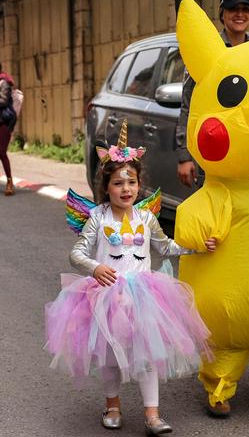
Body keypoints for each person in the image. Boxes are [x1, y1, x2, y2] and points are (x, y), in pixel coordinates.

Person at [45, 120, 216, 435]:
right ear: (106, 188)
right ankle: (112, 405)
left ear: (140, 185)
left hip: (145, 298)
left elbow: (166, 247)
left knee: (148, 355)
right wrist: (95, 268)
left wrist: (197, 248)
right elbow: (77, 253)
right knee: (110, 358)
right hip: (106, 299)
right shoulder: (98, 218)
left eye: (132, 183)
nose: (126, 189)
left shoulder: (147, 217)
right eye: (118, 184)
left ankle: (152, 415)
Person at [175, 0, 249, 187]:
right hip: (216, 149)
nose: (239, 15)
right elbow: (189, 103)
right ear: (222, 13)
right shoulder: (208, 49)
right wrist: (184, 155)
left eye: (245, 9)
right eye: (233, 9)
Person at [0, 64, 17, 196]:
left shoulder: (3, 82)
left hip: (4, 122)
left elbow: (4, 101)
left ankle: (10, 181)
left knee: (1, 152)